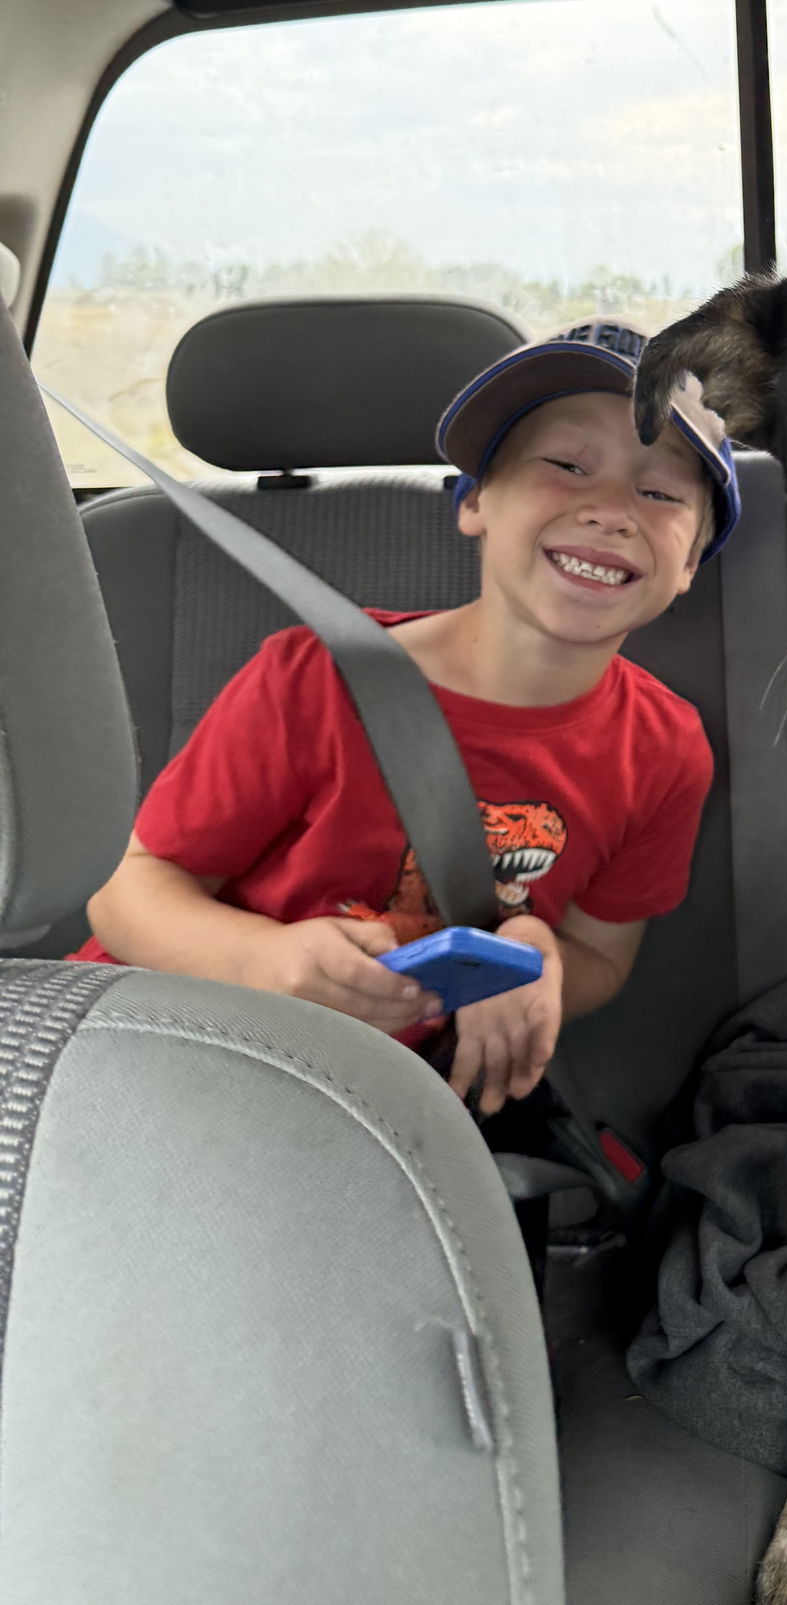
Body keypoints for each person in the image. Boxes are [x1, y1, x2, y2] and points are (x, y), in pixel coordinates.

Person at [73, 316, 739, 1124]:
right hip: (171, 1046)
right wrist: (265, 959)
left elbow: (600, 955)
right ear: (475, 503)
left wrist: (533, 964)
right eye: (566, 465)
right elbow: (125, 894)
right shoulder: (314, 680)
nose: (609, 509)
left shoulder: (665, 750)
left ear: (691, 562)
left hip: (368, 1105)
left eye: (660, 491)